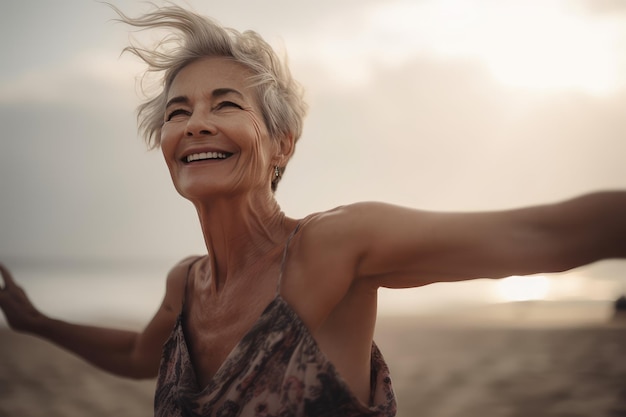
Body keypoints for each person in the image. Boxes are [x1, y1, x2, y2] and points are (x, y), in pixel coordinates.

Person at [1, 4, 625, 417]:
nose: (195, 125)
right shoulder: (185, 283)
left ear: (282, 142)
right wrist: (37, 324)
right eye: (177, 112)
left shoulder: (334, 246)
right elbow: (140, 356)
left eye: (225, 105)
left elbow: (536, 233)